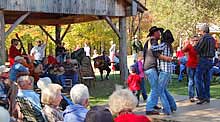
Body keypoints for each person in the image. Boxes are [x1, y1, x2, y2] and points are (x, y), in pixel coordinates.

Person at [143, 26, 172, 115]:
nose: (160, 34)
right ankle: (149, 108)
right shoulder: (153, 41)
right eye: (158, 32)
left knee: (158, 88)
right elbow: (156, 54)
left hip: (149, 67)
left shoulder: (149, 41)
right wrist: (167, 58)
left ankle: (154, 104)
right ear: (154, 33)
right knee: (155, 89)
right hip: (151, 67)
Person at [153, 30, 177, 115]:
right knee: (164, 90)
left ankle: (167, 109)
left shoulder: (163, 45)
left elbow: (153, 48)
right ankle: (173, 106)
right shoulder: (169, 46)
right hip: (168, 71)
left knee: (160, 90)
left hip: (164, 71)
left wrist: (150, 42)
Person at [195, 24, 216, 104]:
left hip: (203, 59)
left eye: (200, 30)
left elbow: (198, 49)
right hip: (210, 60)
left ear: (203, 31)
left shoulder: (204, 38)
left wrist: (194, 46)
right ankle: (207, 97)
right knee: (206, 79)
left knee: (198, 78)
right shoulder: (212, 39)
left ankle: (201, 96)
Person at [182, 36, 199, 102]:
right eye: (195, 40)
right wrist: (187, 45)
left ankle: (198, 96)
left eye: (197, 40)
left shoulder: (199, 47)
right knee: (191, 81)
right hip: (190, 65)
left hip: (197, 65)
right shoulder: (189, 46)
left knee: (197, 81)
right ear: (192, 40)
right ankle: (191, 96)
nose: (196, 41)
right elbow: (183, 50)